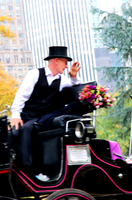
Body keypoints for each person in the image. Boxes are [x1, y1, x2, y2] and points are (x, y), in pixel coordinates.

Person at [10, 46, 81, 174]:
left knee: (27, 129)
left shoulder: (63, 80)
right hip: (26, 115)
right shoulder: (35, 74)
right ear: (56, 61)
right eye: (65, 63)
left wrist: (73, 76)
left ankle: (27, 169)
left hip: (43, 119)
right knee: (13, 132)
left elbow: (77, 90)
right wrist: (15, 115)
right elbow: (22, 95)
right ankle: (12, 164)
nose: (66, 67)